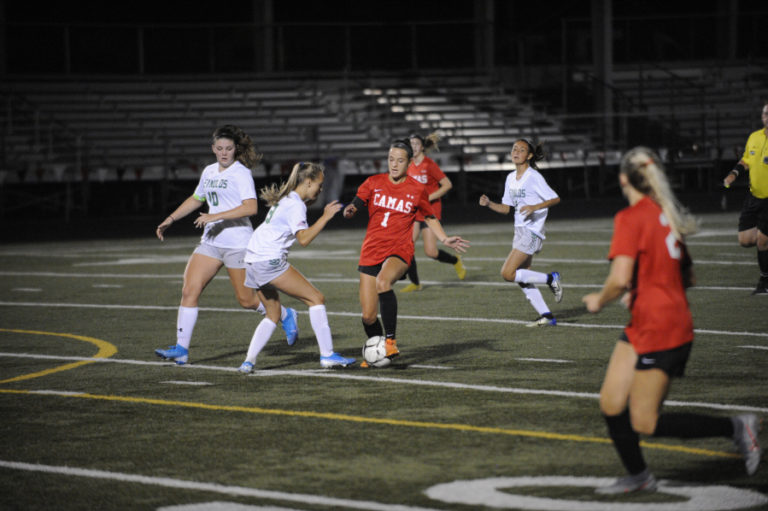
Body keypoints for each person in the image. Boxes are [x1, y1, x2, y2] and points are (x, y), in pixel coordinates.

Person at [583, 146, 761, 494]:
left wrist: (598, 300)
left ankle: (737, 427)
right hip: (648, 323)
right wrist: (647, 285)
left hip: (662, 329)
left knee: (644, 421)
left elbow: (619, 279)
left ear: (623, 179)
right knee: (611, 402)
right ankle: (639, 476)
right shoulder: (665, 214)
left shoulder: (630, 218)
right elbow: (688, 276)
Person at [154, 125, 298, 365]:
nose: (223, 153)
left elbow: (251, 208)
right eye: (219, 148)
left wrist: (214, 216)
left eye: (228, 149)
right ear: (213, 149)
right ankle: (181, 349)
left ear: (235, 150)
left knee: (247, 301)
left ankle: (285, 314)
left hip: (237, 243)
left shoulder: (241, 173)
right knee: (189, 290)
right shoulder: (209, 171)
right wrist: (170, 219)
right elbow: (196, 199)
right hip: (211, 242)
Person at [343, 139, 469, 366]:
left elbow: (429, 216)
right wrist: (350, 210)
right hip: (371, 250)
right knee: (368, 316)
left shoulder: (416, 188)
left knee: (383, 282)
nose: (394, 164)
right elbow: (358, 202)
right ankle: (378, 351)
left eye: (400, 160)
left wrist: (444, 238)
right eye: (391, 159)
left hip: (399, 250)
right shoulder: (374, 182)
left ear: (409, 163)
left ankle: (390, 343)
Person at [238, 162, 355, 372]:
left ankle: (249, 361)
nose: (321, 188)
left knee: (273, 314)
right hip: (268, 260)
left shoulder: (287, 198)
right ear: (308, 182)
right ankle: (328, 355)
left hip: (252, 259)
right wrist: (325, 217)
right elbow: (303, 239)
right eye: (319, 184)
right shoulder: (295, 205)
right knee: (316, 298)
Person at [478, 139, 563, 327]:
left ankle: (551, 278)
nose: (516, 152)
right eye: (514, 149)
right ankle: (547, 316)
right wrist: (489, 204)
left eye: (521, 149)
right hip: (519, 230)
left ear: (529, 155)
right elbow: (506, 209)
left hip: (532, 231)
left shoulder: (534, 176)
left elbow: (555, 198)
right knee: (524, 277)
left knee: (508, 273)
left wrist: (535, 206)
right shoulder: (510, 178)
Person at [400, 132, 466, 292]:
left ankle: (455, 261)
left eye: (416, 143)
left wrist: (427, 197)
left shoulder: (429, 165)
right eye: (411, 144)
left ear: (422, 146)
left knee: (431, 252)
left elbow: (447, 185)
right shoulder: (408, 165)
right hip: (414, 212)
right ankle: (415, 283)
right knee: (406, 247)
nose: (414, 147)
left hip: (430, 211)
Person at [722, 102, 768, 294]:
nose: (767, 116)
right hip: (754, 197)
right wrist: (734, 174)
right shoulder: (754, 137)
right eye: (765, 113)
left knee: (762, 241)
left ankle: (764, 282)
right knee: (745, 240)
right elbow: (746, 160)